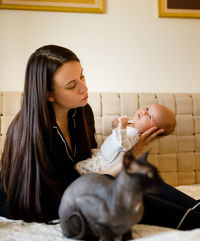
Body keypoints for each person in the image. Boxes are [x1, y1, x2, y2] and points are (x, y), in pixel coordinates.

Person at [0, 44, 199, 231]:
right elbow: (75, 191)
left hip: (84, 186)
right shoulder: (34, 133)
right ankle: (193, 221)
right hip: (47, 201)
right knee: (123, 191)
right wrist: (126, 163)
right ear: (48, 95)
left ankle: (196, 207)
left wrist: (129, 155)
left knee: (136, 179)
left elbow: (94, 164)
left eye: (82, 76)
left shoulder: (81, 112)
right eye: (71, 85)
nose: (84, 88)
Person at [75, 104, 176, 175]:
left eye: (149, 117)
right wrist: (116, 124)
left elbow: (123, 145)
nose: (144, 112)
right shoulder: (132, 122)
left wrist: (122, 127)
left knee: (78, 167)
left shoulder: (135, 135)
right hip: (101, 155)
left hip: (105, 165)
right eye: (147, 108)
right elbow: (116, 133)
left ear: (153, 131)